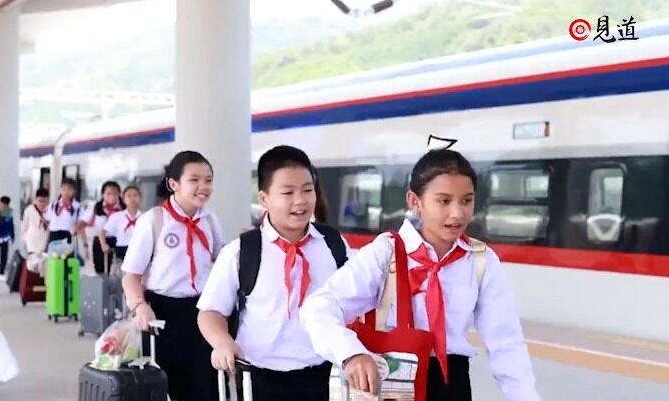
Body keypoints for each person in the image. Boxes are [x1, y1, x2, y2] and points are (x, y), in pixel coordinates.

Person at [299, 147, 542, 401]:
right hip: (392, 382)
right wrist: (350, 354)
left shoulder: (481, 260)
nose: (457, 213)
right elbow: (318, 308)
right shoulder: (386, 252)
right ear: (415, 202)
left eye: (466, 200)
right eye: (444, 201)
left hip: (453, 385)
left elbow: (506, 343)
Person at [197, 145, 348, 401]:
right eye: (287, 192)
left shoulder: (333, 245)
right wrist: (222, 342)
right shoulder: (242, 251)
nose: (300, 201)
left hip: (319, 373)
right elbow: (210, 312)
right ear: (264, 199)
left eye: (307, 190)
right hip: (257, 377)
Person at [121, 151, 224, 401]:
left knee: (204, 385)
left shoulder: (210, 220)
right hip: (162, 314)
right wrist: (140, 306)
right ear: (173, 184)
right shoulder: (154, 220)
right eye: (194, 180)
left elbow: (219, 263)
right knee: (167, 385)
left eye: (208, 180)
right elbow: (131, 275)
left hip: (203, 313)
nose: (203, 187)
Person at [82, 181, 124, 274]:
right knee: (100, 269)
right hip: (99, 241)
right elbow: (83, 221)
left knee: (118, 270)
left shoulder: (123, 208)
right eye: (108, 194)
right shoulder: (96, 207)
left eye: (115, 194)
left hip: (117, 241)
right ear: (103, 194)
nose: (112, 196)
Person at [100, 185, 142, 263]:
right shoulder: (117, 216)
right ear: (123, 199)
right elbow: (102, 232)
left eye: (135, 195)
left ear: (140, 198)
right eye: (129, 196)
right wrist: (104, 244)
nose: (132, 198)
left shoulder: (146, 217)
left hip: (140, 251)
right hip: (121, 251)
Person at [21, 189, 51, 275]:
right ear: (35, 200)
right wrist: (26, 241)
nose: (42, 204)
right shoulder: (29, 210)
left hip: (45, 246)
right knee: (32, 269)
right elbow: (24, 227)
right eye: (40, 201)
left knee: (43, 270)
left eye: (45, 201)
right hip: (32, 246)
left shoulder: (50, 211)